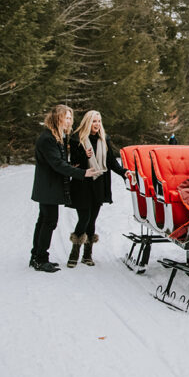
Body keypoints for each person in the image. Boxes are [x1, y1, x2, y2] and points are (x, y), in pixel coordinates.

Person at [30, 105, 97, 273]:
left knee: (44, 220)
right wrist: (82, 173)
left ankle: (36, 256)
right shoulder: (48, 138)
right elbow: (56, 164)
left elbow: (59, 162)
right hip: (48, 187)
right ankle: (40, 259)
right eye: (66, 118)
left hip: (49, 187)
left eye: (70, 118)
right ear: (56, 118)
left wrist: (69, 166)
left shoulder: (57, 137)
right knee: (49, 221)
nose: (69, 121)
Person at [67, 110, 126, 267]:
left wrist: (124, 173)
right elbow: (73, 162)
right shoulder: (76, 139)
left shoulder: (104, 139)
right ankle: (74, 251)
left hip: (99, 184)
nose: (97, 124)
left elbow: (112, 162)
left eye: (99, 121)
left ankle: (88, 254)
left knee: (92, 219)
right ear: (88, 122)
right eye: (94, 121)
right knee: (84, 218)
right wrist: (84, 155)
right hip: (82, 184)